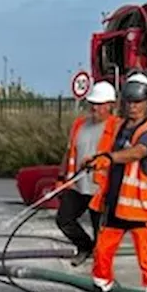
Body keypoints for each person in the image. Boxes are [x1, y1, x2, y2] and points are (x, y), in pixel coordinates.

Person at [84, 72, 147, 292]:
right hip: (116, 203)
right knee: (102, 251)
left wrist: (109, 158)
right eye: (129, 102)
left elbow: (138, 152)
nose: (133, 106)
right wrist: (96, 160)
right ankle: (101, 289)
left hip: (140, 207)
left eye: (138, 102)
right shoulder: (120, 128)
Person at [56, 80, 120, 267]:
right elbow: (69, 152)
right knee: (64, 220)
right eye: (92, 103)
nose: (94, 108)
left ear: (110, 105)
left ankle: (101, 270)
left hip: (100, 189)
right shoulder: (79, 125)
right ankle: (85, 247)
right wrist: (61, 178)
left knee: (101, 231)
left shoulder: (117, 127)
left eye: (99, 104)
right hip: (77, 185)